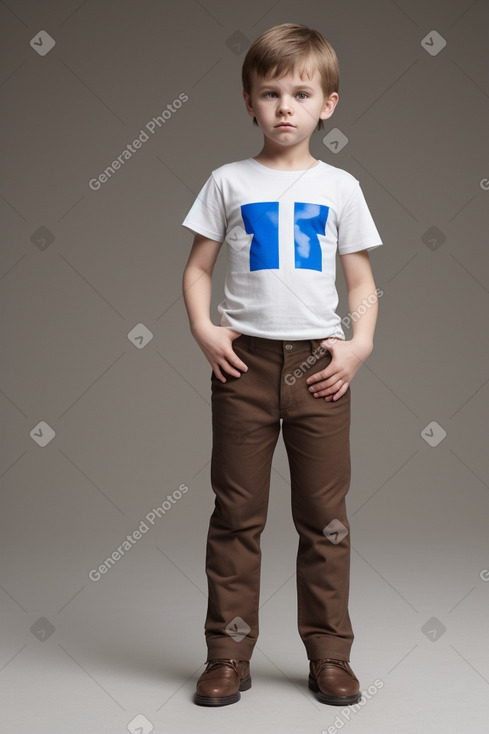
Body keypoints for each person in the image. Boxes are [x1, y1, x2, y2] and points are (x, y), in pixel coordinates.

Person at [181, 21, 383, 708]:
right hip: (244, 370)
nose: (285, 107)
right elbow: (197, 269)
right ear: (249, 103)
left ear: (327, 103)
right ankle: (227, 657)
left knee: (324, 521)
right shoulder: (226, 182)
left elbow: (359, 281)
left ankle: (329, 656)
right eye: (270, 94)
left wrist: (357, 346)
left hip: (318, 371)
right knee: (235, 516)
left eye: (301, 93)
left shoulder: (341, 188)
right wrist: (206, 333)